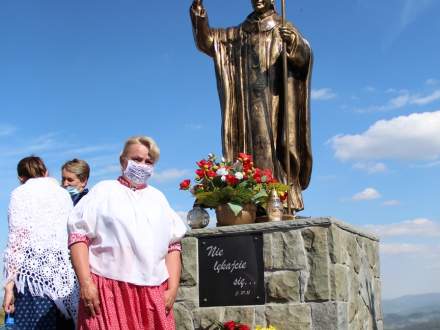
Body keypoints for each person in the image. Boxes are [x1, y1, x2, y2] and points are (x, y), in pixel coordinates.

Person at [190, 0, 313, 211]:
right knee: (244, 148)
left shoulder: (283, 27)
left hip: (274, 100)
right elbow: (208, 42)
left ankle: (277, 199)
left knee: (272, 146)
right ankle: (246, 199)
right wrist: (198, 11)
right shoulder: (238, 34)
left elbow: (303, 58)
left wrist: (293, 42)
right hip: (244, 103)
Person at [68, 136, 188, 330]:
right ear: (123, 160)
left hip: (152, 292)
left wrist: (172, 288)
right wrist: (86, 283)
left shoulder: (158, 199)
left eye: (148, 161)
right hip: (107, 290)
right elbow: (78, 237)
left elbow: (172, 245)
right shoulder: (103, 192)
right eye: (137, 159)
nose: (143, 165)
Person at [2, 156, 79, 329]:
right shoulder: (63, 195)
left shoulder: (19, 194)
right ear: (45, 172)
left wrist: (8, 286)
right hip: (63, 276)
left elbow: (17, 240)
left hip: (30, 280)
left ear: (21, 178)